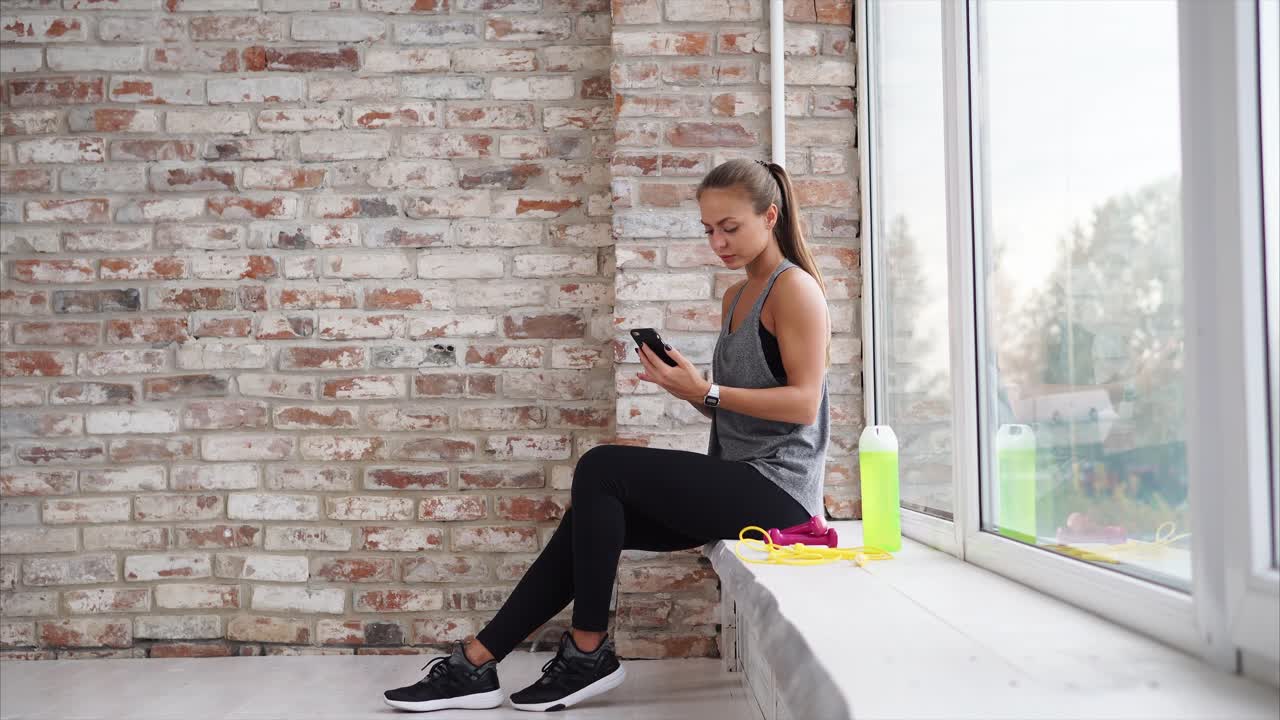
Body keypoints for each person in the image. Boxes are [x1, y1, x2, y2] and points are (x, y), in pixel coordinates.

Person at [383, 158, 833, 713]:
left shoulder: (795, 290)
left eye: (730, 227)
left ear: (770, 215)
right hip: (742, 477)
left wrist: (708, 392)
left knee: (602, 467)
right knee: (587, 524)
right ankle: (478, 662)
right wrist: (689, 391)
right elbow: (742, 412)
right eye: (708, 229)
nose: (718, 242)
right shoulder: (737, 296)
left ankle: (588, 653)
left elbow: (803, 404)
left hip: (780, 494)